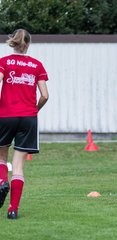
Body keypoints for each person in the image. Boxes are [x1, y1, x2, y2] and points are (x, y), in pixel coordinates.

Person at [0, 29, 49, 219]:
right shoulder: (37, 65)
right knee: (19, 165)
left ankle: (2, 181)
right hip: (28, 117)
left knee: (2, 158)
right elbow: (45, 95)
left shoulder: (4, 62)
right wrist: (34, 110)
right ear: (28, 44)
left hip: (6, 115)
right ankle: (13, 209)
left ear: (14, 42)